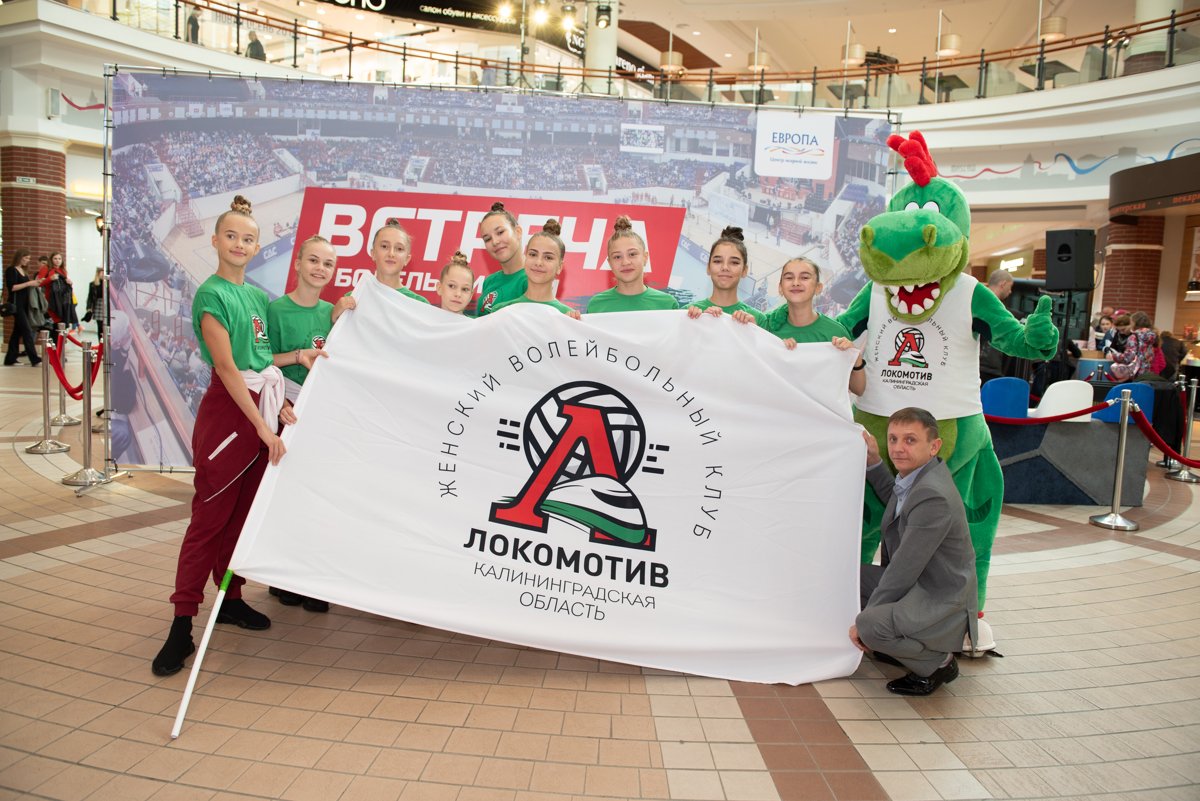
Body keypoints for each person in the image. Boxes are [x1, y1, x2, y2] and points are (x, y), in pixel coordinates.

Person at [152, 196, 324, 677]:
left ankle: (230, 599)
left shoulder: (255, 297)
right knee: (208, 522)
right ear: (215, 240)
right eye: (232, 236)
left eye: (248, 238)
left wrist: (293, 366)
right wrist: (262, 426)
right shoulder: (211, 295)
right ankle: (182, 622)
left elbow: (260, 362)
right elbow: (229, 370)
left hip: (258, 410)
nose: (240, 244)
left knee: (240, 522)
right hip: (231, 418)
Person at [849, 407, 978, 696]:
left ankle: (938, 662)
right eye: (893, 439)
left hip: (940, 596)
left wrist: (863, 624)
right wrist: (874, 462)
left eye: (910, 440)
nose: (898, 448)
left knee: (870, 625)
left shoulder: (933, 495)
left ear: (934, 446)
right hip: (924, 583)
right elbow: (896, 503)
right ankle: (901, 646)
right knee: (851, 581)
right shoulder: (920, 477)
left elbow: (903, 569)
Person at [265, 235, 346, 614]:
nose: (319, 268)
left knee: (319, 495)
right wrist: (280, 399)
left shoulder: (336, 314)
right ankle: (283, 575)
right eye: (313, 260)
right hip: (287, 409)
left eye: (327, 264)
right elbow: (261, 360)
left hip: (324, 414)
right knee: (285, 494)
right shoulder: (276, 310)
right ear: (297, 263)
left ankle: (312, 577)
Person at [731, 257, 866, 395]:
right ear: (780, 288)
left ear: (818, 288)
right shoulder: (767, 328)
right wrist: (746, 333)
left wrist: (856, 359)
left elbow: (858, 389)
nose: (796, 283)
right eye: (789, 278)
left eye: (804, 277)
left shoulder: (835, 332)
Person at [586, 217, 679, 313]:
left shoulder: (667, 304)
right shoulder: (596, 305)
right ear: (610, 263)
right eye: (617, 257)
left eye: (632, 254)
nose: (625, 262)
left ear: (645, 257)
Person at [491, 219, 580, 318]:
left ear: (559, 267)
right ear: (525, 257)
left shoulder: (570, 317)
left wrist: (568, 324)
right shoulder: (500, 311)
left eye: (548, 257)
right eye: (533, 254)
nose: (538, 263)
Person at [685, 226, 764, 323]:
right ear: (708, 267)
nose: (725, 267)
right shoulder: (688, 313)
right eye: (717, 261)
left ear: (744, 270)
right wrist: (698, 323)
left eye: (734, 262)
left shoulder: (758, 319)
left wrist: (752, 329)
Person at [476, 202, 526, 316]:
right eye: (487, 239)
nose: (495, 242)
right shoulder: (489, 281)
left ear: (518, 232)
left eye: (500, 232)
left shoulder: (534, 278)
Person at [368, 219, 430, 304]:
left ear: (407, 259)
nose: (391, 254)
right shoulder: (355, 298)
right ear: (373, 253)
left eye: (399, 249)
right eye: (384, 246)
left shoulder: (419, 303)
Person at [3, 249, 45, 367]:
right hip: (17, 306)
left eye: (29, 259)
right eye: (25, 258)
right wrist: (29, 283)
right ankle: (34, 358)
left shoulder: (23, 270)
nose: (27, 260)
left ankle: (10, 358)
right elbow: (12, 287)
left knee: (17, 332)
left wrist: (35, 282)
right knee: (27, 330)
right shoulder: (11, 270)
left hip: (25, 305)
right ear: (19, 257)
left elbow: (26, 286)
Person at [978, 270, 1013, 382]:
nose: (1010, 291)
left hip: (978, 364)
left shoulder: (977, 300)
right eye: (1010, 287)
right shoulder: (994, 307)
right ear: (1003, 284)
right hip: (986, 368)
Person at [1108, 311, 1156, 382]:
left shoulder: (1134, 337)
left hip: (1135, 373)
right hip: (1147, 372)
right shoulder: (1151, 336)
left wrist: (1114, 355)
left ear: (1134, 323)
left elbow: (1128, 358)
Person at [39, 251, 79, 333]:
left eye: (59, 259)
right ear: (51, 259)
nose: (57, 261)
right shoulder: (46, 268)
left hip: (62, 300)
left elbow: (65, 285)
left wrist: (70, 283)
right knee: (54, 322)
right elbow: (40, 283)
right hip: (50, 299)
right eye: (55, 258)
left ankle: (59, 340)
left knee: (61, 324)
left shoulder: (62, 270)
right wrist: (50, 278)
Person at [83, 268, 105, 336]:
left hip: (107, 305)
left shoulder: (109, 284)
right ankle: (101, 341)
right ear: (98, 273)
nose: (103, 274)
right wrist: (89, 308)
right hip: (98, 305)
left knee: (107, 326)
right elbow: (90, 297)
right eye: (102, 272)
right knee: (100, 326)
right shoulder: (93, 284)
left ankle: (107, 341)